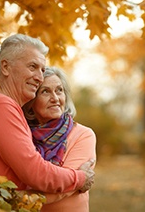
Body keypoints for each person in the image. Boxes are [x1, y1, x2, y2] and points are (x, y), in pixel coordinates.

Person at [0, 34, 95, 194]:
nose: (40, 78)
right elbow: (36, 173)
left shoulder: (0, 106)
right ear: (5, 67)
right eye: (32, 67)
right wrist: (80, 177)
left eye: (42, 70)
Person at [22, 66, 97, 212]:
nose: (55, 98)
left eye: (59, 90)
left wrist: (17, 197)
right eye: (45, 91)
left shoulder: (83, 135)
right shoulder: (22, 135)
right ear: (31, 102)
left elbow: (65, 188)